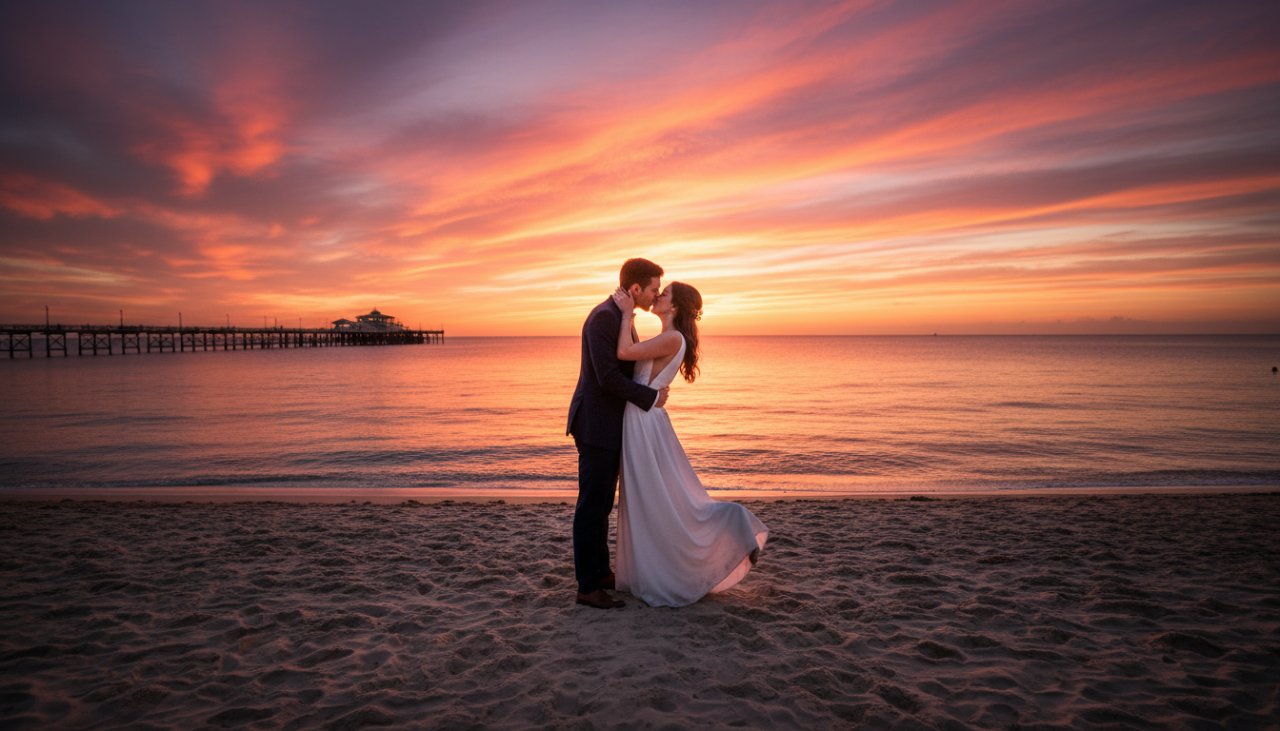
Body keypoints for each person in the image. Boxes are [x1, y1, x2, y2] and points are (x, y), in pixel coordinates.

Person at [611, 281, 768, 607]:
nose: (657, 297)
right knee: (655, 497)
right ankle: (653, 567)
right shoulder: (669, 337)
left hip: (643, 421)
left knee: (657, 498)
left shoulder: (672, 338)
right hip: (644, 417)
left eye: (664, 294)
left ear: (676, 306)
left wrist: (627, 315)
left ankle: (736, 527)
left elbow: (624, 353)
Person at [566, 258, 669, 609]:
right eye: (653, 288)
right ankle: (587, 586)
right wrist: (650, 398)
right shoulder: (603, 318)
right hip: (596, 424)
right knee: (592, 505)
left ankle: (601, 572)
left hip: (609, 424)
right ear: (636, 288)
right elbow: (607, 377)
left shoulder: (619, 316)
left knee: (602, 504)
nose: (656, 294)